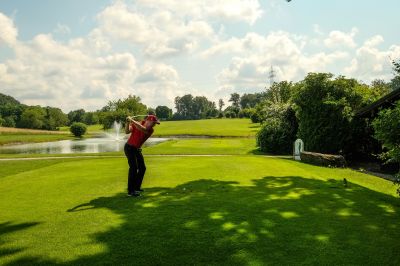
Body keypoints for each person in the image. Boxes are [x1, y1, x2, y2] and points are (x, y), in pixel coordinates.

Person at [124, 114, 160, 197]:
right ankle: (131, 191)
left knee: (142, 168)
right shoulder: (138, 123)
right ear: (148, 121)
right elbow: (127, 131)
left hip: (136, 149)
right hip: (129, 148)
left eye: (155, 123)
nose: (154, 125)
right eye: (153, 123)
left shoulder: (150, 130)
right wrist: (127, 122)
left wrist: (132, 120)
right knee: (133, 168)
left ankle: (136, 187)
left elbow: (143, 129)